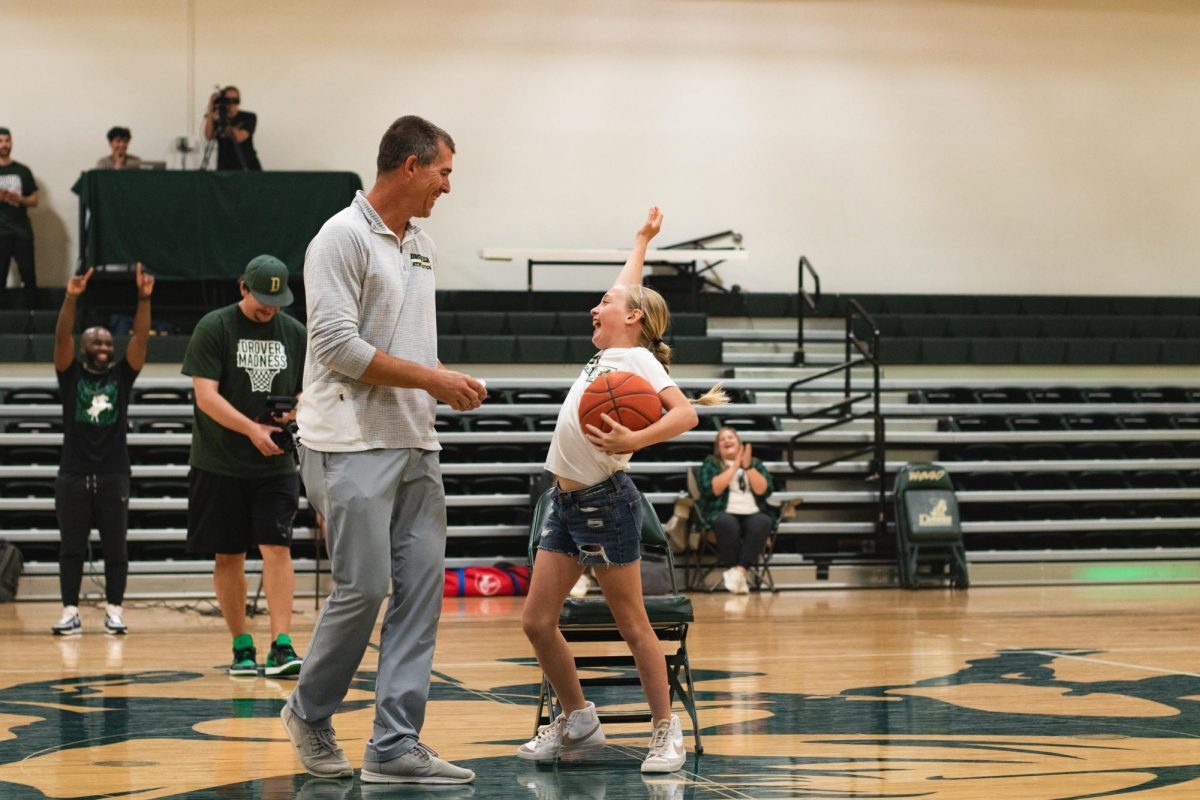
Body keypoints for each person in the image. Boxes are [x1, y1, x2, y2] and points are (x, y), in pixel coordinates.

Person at [281, 115, 485, 785]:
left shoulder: (418, 243)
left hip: (414, 440)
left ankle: (395, 744)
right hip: (348, 440)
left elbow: (407, 344)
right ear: (410, 166)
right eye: (444, 172)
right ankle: (309, 713)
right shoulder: (339, 239)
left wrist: (439, 384)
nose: (448, 186)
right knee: (363, 587)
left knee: (421, 594)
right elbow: (336, 348)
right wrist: (435, 379)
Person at [519, 206, 726, 774]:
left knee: (632, 623)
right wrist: (641, 238)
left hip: (604, 502)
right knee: (537, 622)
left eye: (606, 303)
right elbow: (627, 282)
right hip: (563, 503)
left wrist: (637, 434)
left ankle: (666, 731)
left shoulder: (635, 359)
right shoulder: (608, 353)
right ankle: (579, 717)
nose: (596, 305)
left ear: (632, 317)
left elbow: (686, 416)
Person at [181, 255, 306, 678]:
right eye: (261, 300)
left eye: (277, 301)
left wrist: (293, 416)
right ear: (242, 288)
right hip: (219, 462)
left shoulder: (294, 333)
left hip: (276, 467)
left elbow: (311, 391)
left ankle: (281, 643)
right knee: (228, 554)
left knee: (278, 547)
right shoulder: (214, 327)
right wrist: (252, 430)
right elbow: (206, 396)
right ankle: (240, 645)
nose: (269, 308)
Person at [51, 264, 153, 636]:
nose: (105, 348)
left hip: (114, 473)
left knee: (116, 549)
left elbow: (140, 339)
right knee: (71, 548)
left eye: (110, 343)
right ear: (83, 348)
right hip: (73, 474)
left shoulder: (121, 377)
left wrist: (144, 298)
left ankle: (114, 610)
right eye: (98, 342)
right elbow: (61, 337)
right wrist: (70, 298)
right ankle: (69, 611)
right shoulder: (70, 374)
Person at [696, 426, 778, 594]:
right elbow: (711, 490)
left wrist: (747, 468)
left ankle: (738, 572)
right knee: (726, 522)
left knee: (763, 521)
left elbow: (765, 490)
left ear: (739, 443)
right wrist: (734, 467)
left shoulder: (754, 463)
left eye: (730, 437)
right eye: (722, 439)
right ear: (718, 447)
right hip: (723, 512)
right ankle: (739, 576)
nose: (727, 440)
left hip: (753, 511)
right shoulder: (711, 463)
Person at [0, 127, 39, 308]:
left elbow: (34, 200)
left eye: (7, 140)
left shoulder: (23, 170)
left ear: (12, 142)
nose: (4, 144)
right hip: (1, 232)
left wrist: (19, 199)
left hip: (21, 231)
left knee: (28, 274)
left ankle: (31, 316)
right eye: (0, 141)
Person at [203, 86, 262, 171]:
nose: (231, 103)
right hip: (225, 168)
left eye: (235, 100)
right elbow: (208, 135)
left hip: (247, 166)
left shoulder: (249, 117)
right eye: (227, 100)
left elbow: (239, 137)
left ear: (239, 102)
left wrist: (221, 120)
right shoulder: (217, 119)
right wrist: (211, 109)